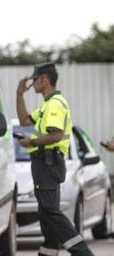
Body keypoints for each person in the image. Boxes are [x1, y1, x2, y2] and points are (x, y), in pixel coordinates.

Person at [16, 62, 94, 256]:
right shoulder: (47, 104)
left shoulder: (55, 105)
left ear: (45, 80)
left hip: (48, 162)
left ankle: (83, 252)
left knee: (50, 211)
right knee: (46, 214)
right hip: (45, 164)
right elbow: (24, 120)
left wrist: (32, 142)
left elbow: (56, 135)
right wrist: (19, 95)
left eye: (35, 80)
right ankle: (48, 252)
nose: (32, 84)